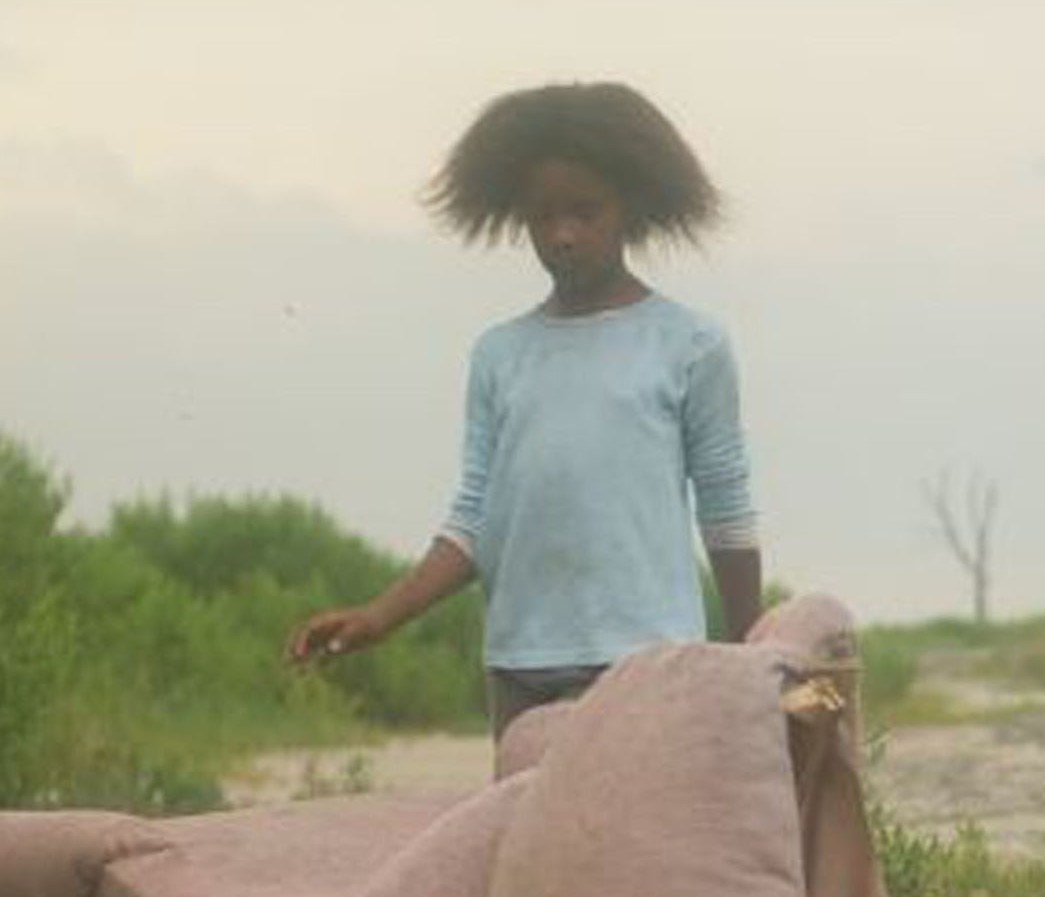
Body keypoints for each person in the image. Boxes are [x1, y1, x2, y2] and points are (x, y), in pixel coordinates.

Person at [289, 81, 763, 736]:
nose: (563, 234)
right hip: (520, 664)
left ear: (629, 207)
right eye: (543, 217)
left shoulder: (689, 345)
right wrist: (379, 616)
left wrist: (749, 653)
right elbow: (478, 518)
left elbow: (726, 510)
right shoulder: (500, 355)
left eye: (585, 211)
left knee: (638, 836)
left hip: (646, 661)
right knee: (530, 836)